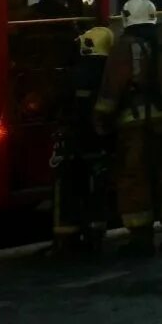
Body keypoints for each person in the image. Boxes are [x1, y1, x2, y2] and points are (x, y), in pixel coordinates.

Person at [95, 0, 162, 256]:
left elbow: (110, 90)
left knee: (135, 181)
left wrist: (100, 122)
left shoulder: (124, 47)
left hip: (136, 127)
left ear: (126, 18)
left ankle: (141, 240)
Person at [52, 26, 115, 256]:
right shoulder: (108, 73)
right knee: (97, 189)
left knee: (68, 188)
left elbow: (58, 100)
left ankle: (65, 240)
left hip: (71, 140)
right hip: (98, 141)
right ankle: (96, 237)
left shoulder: (74, 71)